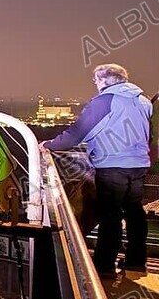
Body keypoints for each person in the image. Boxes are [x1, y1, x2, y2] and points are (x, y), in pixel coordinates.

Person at [42, 63, 153, 277]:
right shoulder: (143, 101)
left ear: (104, 80)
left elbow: (78, 133)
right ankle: (136, 261)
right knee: (134, 212)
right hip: (138, 164)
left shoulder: (104, 101)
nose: (95, 84)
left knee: (110, 215)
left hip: (112, 164)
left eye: (96, 80)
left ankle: (105, 265)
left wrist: (49, 144)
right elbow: (148, 133)